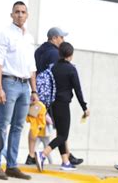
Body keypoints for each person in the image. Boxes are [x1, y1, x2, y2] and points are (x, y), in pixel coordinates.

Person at [0, 1, 38, 181]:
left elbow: (32, 66)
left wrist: (34, 90)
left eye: (23, 12)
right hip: (9, 84)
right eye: (17, 12)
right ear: (11, 14)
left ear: (27, 15)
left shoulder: (29, 37)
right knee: (2, 126)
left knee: (18, 127)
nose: (20, 14)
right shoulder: (4, 34)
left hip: (25, 86)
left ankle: (11, 166)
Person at [27, 27, 83, 166]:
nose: (63, 40)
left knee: (35, 122)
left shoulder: (39, 51)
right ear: (54, 38)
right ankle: (66, 157)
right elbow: (56, 76)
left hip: (37, 92)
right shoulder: (55, 53)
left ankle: (31, 154)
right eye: (61, 37)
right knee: (61, 128)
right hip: (52, 96)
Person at [35, 42, 89, 172]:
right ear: (70, 55)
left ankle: (65, 162)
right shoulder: (71, 69)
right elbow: (78, 90)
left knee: (61, 134)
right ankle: (43, 154)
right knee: (63, 136)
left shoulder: (53, 67)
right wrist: (84, 107)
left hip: (53, 105)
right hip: (63, 105)